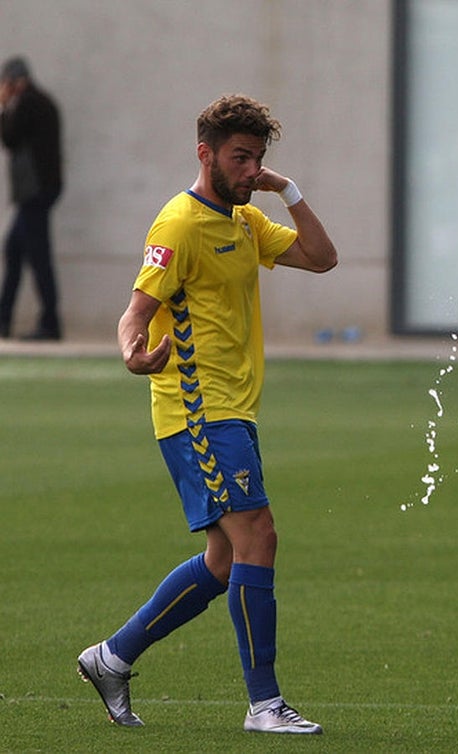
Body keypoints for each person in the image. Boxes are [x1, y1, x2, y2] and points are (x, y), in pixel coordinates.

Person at [76, 94, 338, 734]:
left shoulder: (246, 223)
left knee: (226, 560)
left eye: (258, 159)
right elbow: (136, 309)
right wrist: (133, 354)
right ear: (206, 154)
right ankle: (265, 704)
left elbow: (321, 256)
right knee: (260, 537)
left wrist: (288, 189)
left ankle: (111, 657)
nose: (251, 170)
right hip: (199, 412)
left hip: (234, 410)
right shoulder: (179, 224)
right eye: (239, 158)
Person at [0, 56, 63, 340]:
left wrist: (2, 107)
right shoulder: (41, 102)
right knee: (15, 251)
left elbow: (9, 138)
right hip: (36, 193)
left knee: (38, 257)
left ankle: (49, 323)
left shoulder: (28, 103)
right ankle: (5, 319)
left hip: (34, 193)